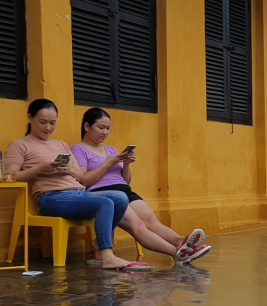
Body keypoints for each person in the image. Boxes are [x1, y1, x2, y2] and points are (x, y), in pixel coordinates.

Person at [4, 99, 150, 272]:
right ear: (30, 118)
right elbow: (9, 177)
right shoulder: (20, 145)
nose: (48, 128)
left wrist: (69, 169)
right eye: (42, 122)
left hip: (78, 194)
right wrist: (40, 168)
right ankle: (107, 255)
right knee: (105, 202)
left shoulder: (61, 144)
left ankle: (99, 242)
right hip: (51, 198)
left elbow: (81, 176)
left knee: (119, 197)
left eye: (53, 123)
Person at [71, 108, 211, 266]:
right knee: (138, 225)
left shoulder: (110, 149)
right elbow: (83, 181)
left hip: (124, 190)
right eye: (101, 128)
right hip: (104, 194)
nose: (105, 132)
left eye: (108, 128)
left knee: (151, 220)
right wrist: (108, 163)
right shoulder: (78, 149)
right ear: (87, 126)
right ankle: (176, 254)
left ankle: (180, 242)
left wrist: (126, 164)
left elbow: (125, 180)